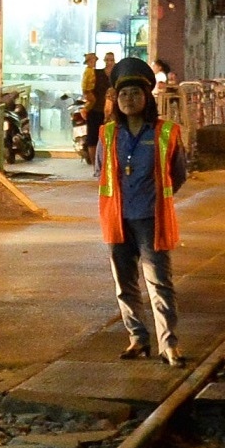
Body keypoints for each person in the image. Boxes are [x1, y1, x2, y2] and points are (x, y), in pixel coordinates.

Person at [91, 56, 191, 362]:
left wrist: (153, 194)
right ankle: (137, 339)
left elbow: (178, 173)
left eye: (135, 94)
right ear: (116, 100)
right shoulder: (107, 134)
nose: (129, 99)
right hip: (117, 220)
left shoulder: (166, 132)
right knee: (125, 285)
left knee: (159, 283)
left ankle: (168, 344)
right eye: (123, 94)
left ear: (147, 98)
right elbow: (100, 172)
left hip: (152, 219)